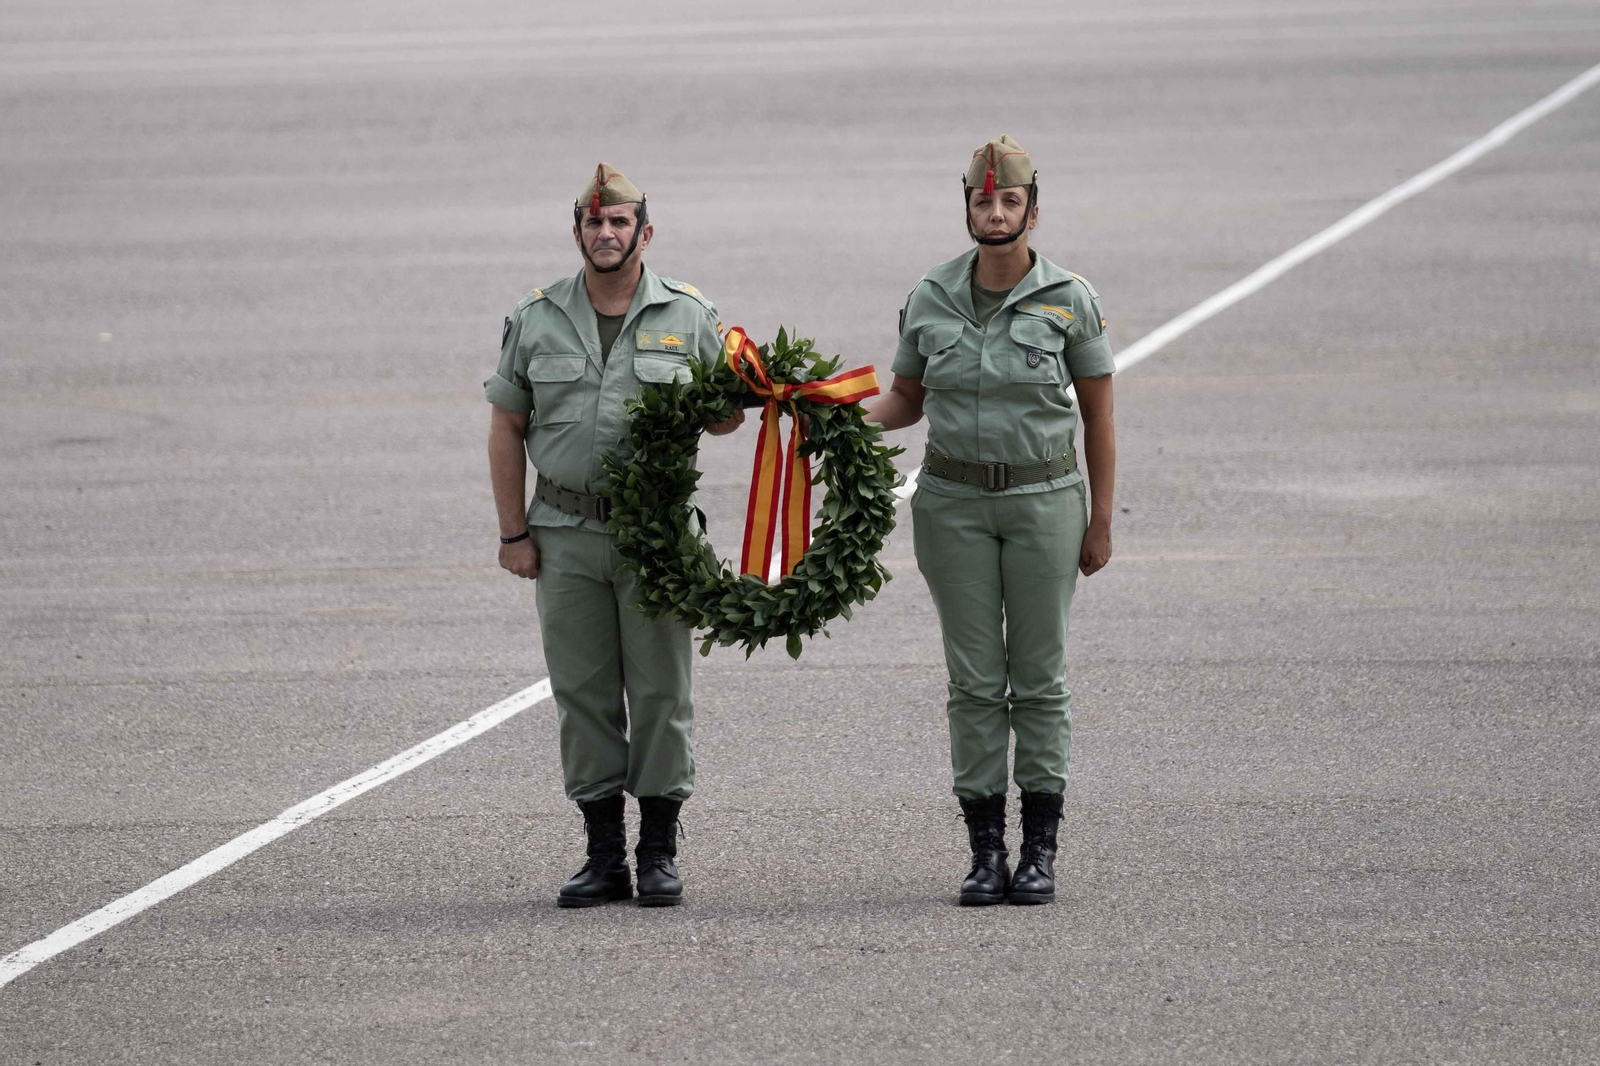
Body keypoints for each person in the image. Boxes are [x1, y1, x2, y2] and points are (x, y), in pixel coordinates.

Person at [864, 135, 1117, 906]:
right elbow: (905, 398)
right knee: (974, 682)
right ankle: (984, 853)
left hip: (1045, 502)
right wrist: (833, 415)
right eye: (983, 200)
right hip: (953, 506)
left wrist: (1100, 520)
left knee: (1038, 681)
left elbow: (1100, 418)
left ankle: (1039, 851)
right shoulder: (931, 294)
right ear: (968, 207)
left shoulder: (1070, 297)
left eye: (1010, 200)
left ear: (1032, 210)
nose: (996, 211)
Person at [485, 163, 743, 908]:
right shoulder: (536, 318)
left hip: (654, 536)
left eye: (619, 222)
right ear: (577, 232)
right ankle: (603, 856)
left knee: (662, 693)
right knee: (583, 695)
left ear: (644, 232)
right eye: (593, 223)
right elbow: (507, 425)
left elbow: (724, 417)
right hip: (563, 532)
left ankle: (657, 851)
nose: (605, 233)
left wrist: (732, 402)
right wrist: (513, 532)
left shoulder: (689, 314)